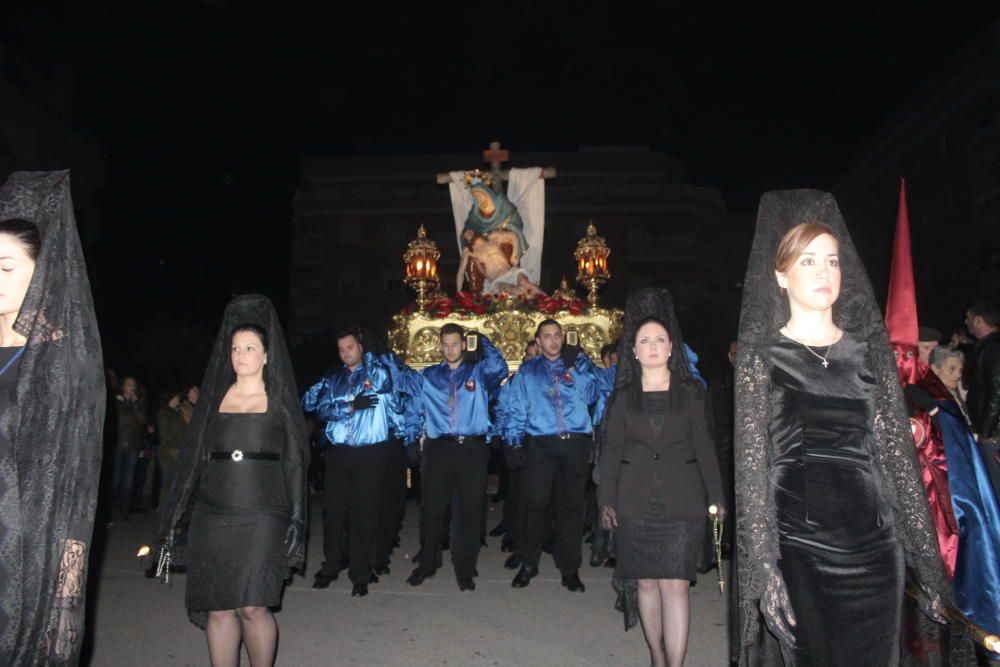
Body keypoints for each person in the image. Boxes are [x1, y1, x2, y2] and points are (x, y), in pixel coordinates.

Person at [734, 190, 968, 666]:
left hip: (875, 551)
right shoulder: (761, 358)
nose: (824, 272)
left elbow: (897, 460)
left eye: (833, 261)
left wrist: (927, 562)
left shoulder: (867, 353)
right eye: (809, 261)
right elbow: (751, 471)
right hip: (799, 551)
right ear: (780, 275)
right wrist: (763, 567)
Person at [159, 294, 307, 667]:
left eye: (250, 347)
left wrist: (298, 517)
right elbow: (193, 460)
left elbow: (294, 462)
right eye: (235, 348)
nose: (241, 354)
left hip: (263, 511)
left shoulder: (280, 400)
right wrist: (175, 515)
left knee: (253, 605)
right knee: (219, 608)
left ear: (266, 355)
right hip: (213, 513)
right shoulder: (212, 399)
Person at [0, 172, 105, 664]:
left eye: (5, 267)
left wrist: (66, 590)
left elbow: (79, 484)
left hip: (27, 554)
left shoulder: (66, 362)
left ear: (42, 273)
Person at [598, 288, 724, 667]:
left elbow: (706, 450)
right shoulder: (622, 398)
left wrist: (717, 499)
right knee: (647, 584)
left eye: (659, 340)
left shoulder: (692, 394)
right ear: (633, 351)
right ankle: (656, 653)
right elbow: (612, 454)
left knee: (676, 586)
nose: (652, 347)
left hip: (683, 502)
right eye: (644, 341)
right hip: (634, 502)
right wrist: (606, 500)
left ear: (672, 348)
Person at [502, 319, 601, 592]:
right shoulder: (528, 372)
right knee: (535, 505)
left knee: (571, 509)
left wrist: (573, 367)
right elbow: (516, 407)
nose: (554, 341)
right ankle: (529, 562)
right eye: (547, 336)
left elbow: (593, 395)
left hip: (575, 444)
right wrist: (513, 443)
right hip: (541, 445)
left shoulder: (580, 365)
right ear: (539, 341)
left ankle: (569, 568)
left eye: (557, 335)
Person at [406, 324, 507, 591]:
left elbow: (501, 368)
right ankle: (427, 563)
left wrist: (483, 341)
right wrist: (411, 439)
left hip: (472, 450)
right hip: (438, 448)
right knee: (432, 510)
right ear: (440, 346)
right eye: (445, 345)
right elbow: (414, 408)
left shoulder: (479, 372)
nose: (450, 349)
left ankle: (465, 569)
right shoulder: (428, 376)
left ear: (463, 344)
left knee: (470, 511)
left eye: (455, 344)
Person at [302, 327, 393, 597]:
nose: (346, 354)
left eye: (350, 348)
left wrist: (373, 359)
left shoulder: (377, 373)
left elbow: (386, 385)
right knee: (333, 511)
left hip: (370, 453)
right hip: (339, 452)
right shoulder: (334, 379)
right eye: (341, 349)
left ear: (360, 347)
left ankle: (361, 572)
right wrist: (350, 406)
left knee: (364, 513)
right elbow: (317, 409)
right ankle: (331, 565)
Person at [965, 300, 1000, 500]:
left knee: (995, 487)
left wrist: (987, 431)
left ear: (978, 320)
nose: (965, 322)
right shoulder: (987, 346)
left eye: (968, 318)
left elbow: (997, 391)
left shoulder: (993, 348)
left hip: (994, 434)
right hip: (991, 430)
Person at [111, 376, 146, 520]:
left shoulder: (138, 402)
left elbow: (142, 420)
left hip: (133, 445)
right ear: (123, 386)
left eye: (134, 385)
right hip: (117, 444)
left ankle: (125, 511)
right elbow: (118, 419)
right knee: (116, 478)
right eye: (129, 384)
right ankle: (112, 510)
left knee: (128, 480)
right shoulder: (115, 401)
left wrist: (135, 403)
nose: (132, 387)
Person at [156, 389, 188, 510]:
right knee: (168, 482)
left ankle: (172, 508)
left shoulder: (178, 412)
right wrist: (180, 443)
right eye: (176, 397)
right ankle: (163, 508)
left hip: (179, 450)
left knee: (176, 481)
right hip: (168, 452)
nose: (178, 399)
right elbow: (165, 435)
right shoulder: (164, 412)